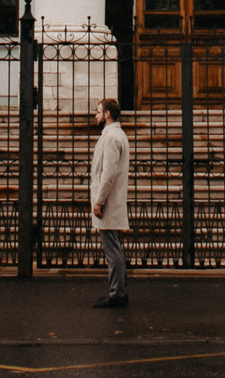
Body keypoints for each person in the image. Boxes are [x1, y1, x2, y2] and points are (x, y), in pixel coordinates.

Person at [88, 96, 129, 309]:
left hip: (108, 204)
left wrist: (98, 201)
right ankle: (119, 291)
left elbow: (108, 173)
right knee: (116, 249)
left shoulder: (112, 138)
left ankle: (117, 294)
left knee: (112, 251)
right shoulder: (114, 135)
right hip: (111, 203)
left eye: (98, 111)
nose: (95, 115)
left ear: (107, 114)